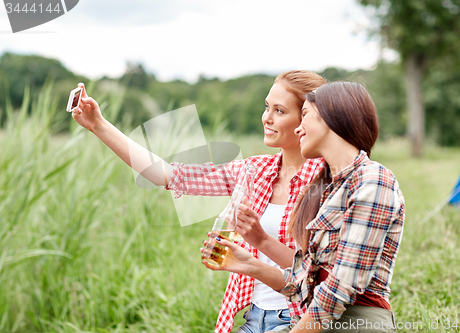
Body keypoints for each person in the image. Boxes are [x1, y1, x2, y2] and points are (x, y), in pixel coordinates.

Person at [71, 71, 327, 333]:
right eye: (266, 106)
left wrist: (260, 239)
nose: (266, 118)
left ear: (305, 119)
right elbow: (167, 175)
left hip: (298, 320)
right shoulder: (255, 170)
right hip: (252, 317)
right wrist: (98, 125)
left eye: (279, 110)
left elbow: (319, 274)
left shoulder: (328, 182)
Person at [204, 82, 405, 333]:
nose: (298, 128)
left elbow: (341, 287)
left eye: (306, 115)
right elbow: (306, 284)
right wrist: (249, 265)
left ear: (332, 117)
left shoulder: (373, 181)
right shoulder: (329, 189)